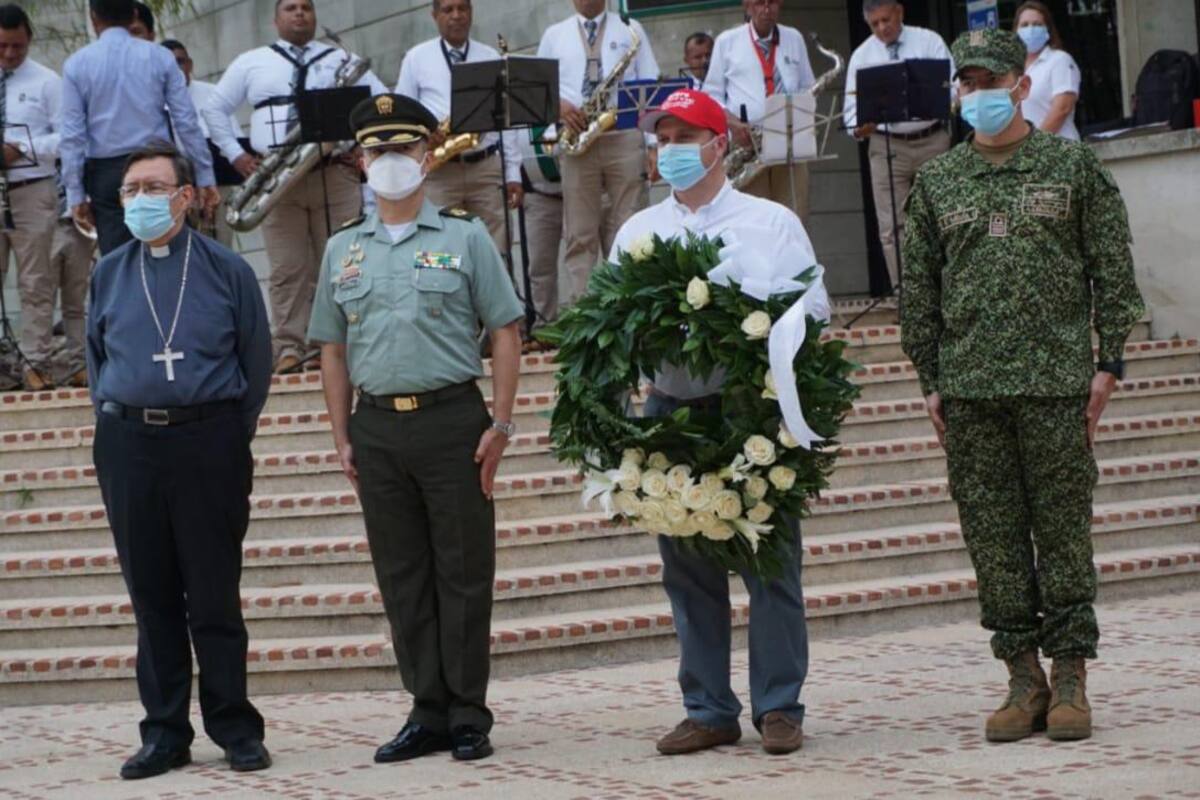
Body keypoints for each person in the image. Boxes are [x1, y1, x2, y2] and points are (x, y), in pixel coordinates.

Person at [901, 28, 1145, 745]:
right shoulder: (938, 183)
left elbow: (1113, 271)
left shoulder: (1072, 170)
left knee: (1064, 532)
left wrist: (1110, 365)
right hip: (971, 390)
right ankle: (1021, 675)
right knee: (994, 538)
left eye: (989, 81)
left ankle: (1070, 674)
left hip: (1056, 384)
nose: (976, 94)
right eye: (965, 83)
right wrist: (929, 379)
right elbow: (920, 288)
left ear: (1021, 85)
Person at [307, 93, 523, 764]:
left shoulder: (463, 236)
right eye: (378, 151)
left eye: (403, 149)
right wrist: (342, 433)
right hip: (377, 428)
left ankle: (467, 713)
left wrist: (504, 423)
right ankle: (426, 710)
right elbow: (333, 348)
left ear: (427, 158)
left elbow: (507, 331)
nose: (391, 162)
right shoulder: (343, 249)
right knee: (402, 576)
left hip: (452, 420)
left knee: (462, 572)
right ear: (359, 162)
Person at [612, 89, 815, 757]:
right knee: (688, 568)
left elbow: (812, 310)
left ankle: (779, 706)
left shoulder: (771, 221)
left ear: (720, 144)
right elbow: (611, 329)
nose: (670, 150)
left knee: (771, 565)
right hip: (670, 413)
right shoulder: (637, 232)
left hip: (751, 409)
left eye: (685, 136)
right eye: (662, 138)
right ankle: (707, 708)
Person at [86, 141, 272, 779]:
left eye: (154, 187)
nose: (141, 199)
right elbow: (97, 362)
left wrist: (222, 432)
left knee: (214, 594)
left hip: (209, 442)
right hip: (129, 446)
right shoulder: (108, 272)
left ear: (186, 196)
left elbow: (256, 362)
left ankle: (235, 727)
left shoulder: (226, 270)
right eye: (131, 190)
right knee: (152, 596)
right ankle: (164, 732)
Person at [203, 0, 387, 374]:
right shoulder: (251, 61)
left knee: (345, 263)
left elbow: (381, 102)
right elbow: (215, 109)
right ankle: (289, 345)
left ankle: (344, 343)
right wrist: (236, 156)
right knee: (288, 267)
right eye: (290, 7)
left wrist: (368, 149)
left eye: (306, 7)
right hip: (277, 179)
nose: (299, 13)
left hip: (334, 174)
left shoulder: (339, 58)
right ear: (276, 19)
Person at [60, 0, 217, 256]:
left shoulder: (77, 64)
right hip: (159, 164)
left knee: (118, 257)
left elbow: (72, 136)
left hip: (107, 173)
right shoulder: (159, 56)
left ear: (93, 17)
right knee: (171, 246)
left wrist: (75, 194)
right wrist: (204, 175)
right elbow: (186, 121)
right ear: (134, 14)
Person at [537, 0, 659, 305]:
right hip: (577, 138)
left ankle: (633, 308)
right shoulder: (554, 35)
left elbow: (651, 85)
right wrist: (560, 107)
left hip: (624, 136)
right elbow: (539, 89)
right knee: (579, 233)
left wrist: (654, 145)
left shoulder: (631, 29)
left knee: (631, 225)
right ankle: (583, 313)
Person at [395, 0, 523, 254]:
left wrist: (513, 175)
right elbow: (403, 113)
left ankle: (494, 294)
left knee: (496, 251)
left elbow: (506, 123)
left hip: (486, 169)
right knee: (440, 252)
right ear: (434, 16)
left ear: (471, 13)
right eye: (448, 10)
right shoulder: (416, 58)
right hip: (440, 173)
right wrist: (424, 136)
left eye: (462, 9)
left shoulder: (489, 56)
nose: (456, 16)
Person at [845, 0, 953, 294]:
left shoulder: (929, 41)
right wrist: (860, 126)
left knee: (943, 216)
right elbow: (850, 112)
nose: (882, 28)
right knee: (892, 226)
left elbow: (952, 89)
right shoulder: (862, 55)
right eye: (875, 24)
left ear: (900, 13)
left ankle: (949, 289)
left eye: (886, 20)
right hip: (885, 143)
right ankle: (908, 296)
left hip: (932, 138)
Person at [703, 0, 814, 222]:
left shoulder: (793, 38)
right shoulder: (728, 41)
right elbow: (710, 94)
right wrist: (732, 122)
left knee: (793, 215)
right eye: (759, 3)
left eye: (772, 2)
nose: (766, 9)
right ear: (747, 5)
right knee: (753, 217)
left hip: (788, 139)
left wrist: (801, 114)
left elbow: (808, 87)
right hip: (747, 143)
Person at [0, 4, 64, 390]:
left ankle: (36, 362)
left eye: (18, 47)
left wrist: (20, 147)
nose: (10, 54)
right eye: (3, 46)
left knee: (36, 280)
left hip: (31, 188)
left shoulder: (47, 81)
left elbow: (67, 138)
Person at [161, 38, 244, 247]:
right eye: (168, 63)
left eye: (180, 62)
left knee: (221, 247)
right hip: (173, 191)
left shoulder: (213, 93)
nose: (176, 68)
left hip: (218, 184)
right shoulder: (152, 100)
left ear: (190, 64)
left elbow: (231, 137)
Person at [518, 125, 563, 336]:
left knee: (581, 255)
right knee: (539, 265)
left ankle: (583, 322)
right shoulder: (525, 98)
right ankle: (546, 328)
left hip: (578, 189)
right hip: (538, 193)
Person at [1014, 0, 1081, 140]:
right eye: (1024, 25)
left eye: (1037, 24)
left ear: (1048, 30)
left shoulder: (1060, 60)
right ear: (1016, 31)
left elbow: (1062, 108)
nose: (1030, 29)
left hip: (1059, 152)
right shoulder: (1012, 68)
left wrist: (1034, 146)